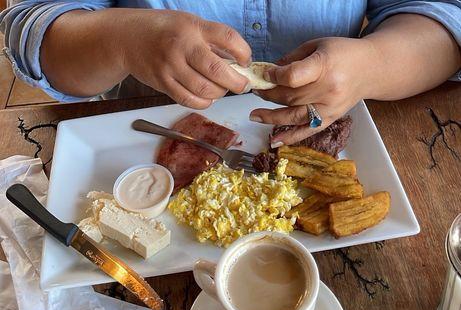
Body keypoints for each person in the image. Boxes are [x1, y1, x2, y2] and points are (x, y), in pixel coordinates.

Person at [1, 1, 460, 145]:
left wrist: (372, 64)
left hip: (328, 145)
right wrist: (123, 39)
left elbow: (444, 19)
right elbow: (30, 28)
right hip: (140, 145)